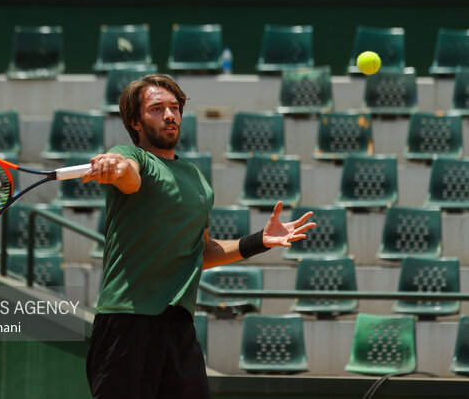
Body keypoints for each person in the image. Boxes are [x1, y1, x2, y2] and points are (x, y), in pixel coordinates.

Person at [81, 74, 315, 399]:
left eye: (174, 108)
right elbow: (128, 173)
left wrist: (259, 240)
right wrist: (115, 166)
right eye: (156, 108)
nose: (169, 115)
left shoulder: (197, 179)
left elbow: (201, 252)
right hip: (126, 322)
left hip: (177, 325)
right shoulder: (133, 157)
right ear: (134, 121)